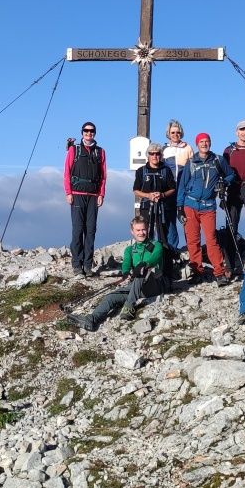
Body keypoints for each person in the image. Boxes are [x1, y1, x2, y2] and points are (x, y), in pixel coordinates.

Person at [67, 217, 162, 332]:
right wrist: (126, 272)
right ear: (132, 231)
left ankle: (129, 307)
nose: (141, 233)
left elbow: (156, 257)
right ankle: (92, 320)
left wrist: (145, 264)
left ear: (148, 229)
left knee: (142, 270)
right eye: (138, 230)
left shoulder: (156, 245)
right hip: (136, 287)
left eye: (143, 229)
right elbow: (126, 263)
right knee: (111, 297)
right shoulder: (130, 250)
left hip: (153, 285)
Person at [177, 133, 236, 286]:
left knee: (211, 239)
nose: (204, 144)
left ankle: (219, 273)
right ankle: (197, 272)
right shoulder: (191, 162)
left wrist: (224, 183)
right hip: (190, 204)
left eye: (207, 141)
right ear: (197, 144)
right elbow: (182, 186)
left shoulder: (218, 160)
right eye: (201, 141)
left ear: (210, 143)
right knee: (193, 240)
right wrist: (179, 207)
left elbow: (231, 175)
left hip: (208, 205)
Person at [64, 121, 107, 276]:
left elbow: (103, 176)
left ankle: (87, 266)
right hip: (77, 195)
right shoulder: (73, 150)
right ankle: (77, 265)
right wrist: (68, 193)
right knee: (78, 230)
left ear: (95, 133)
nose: (89, 133)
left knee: (91, 231)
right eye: (86, 131)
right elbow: (67, 172)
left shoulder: (100, 152)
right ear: (82, 132)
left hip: (93, 196)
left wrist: (101, 194)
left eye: (91, 131)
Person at [133, 142, 177, 285]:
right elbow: (136, 190)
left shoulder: (166, 170)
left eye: (157, 154)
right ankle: (143, 271)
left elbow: (173, 188)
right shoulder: (141, 171)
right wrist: (148, 195)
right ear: (148, 155)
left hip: (163, 209)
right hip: (147, 208)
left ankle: (166, 273)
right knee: (146, 237)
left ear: (161, 155)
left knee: (164, 240)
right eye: (152, 153)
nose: (155, 156)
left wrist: (162, 195)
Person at [161, 119, 192, 251]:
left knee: (186, 218)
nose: (175, 135)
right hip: (169, 189)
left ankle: (190, 248)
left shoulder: (187, 148)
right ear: (168, 134)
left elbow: (193, 169)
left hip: (184, 188)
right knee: (169, 218)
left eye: (178, 132)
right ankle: (171, 249)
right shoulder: (164, 149)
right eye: (172, 132)